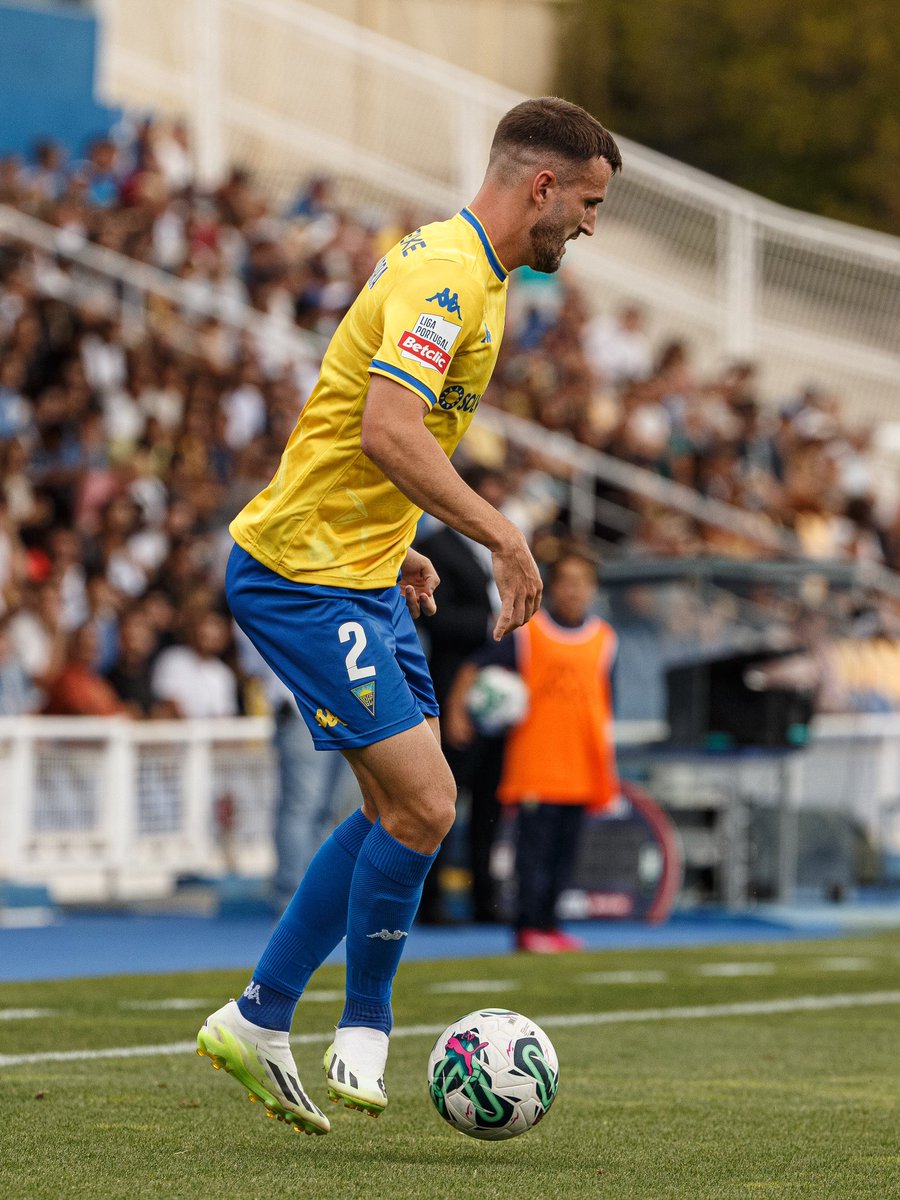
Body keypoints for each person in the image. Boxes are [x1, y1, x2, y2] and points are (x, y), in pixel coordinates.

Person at [197, 96, 622, 1136]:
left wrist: (403, 550)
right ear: (543, 187)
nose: (591, 227)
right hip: (301, 573)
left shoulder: (475, 273)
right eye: (591, 204)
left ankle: (257, 1019)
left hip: (362, 571)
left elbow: (368, 433)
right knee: (428, 807)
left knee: (399, 810)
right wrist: (498, 536)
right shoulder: (446, 277)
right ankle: (368, 1023)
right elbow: (388, 428)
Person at [444, 549, 619, 952]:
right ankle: (527, 927)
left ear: (593, 590)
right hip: (536, 765)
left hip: (581, 767)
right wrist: (457, 711)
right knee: (532, 855)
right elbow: (476, 665)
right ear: (553, 587)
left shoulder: (605, 640)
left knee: (565, 855)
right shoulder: (529, 633)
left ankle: (550, 924)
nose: (574, 591)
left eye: (583, 583)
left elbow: (607, 704)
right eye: (567, 582)